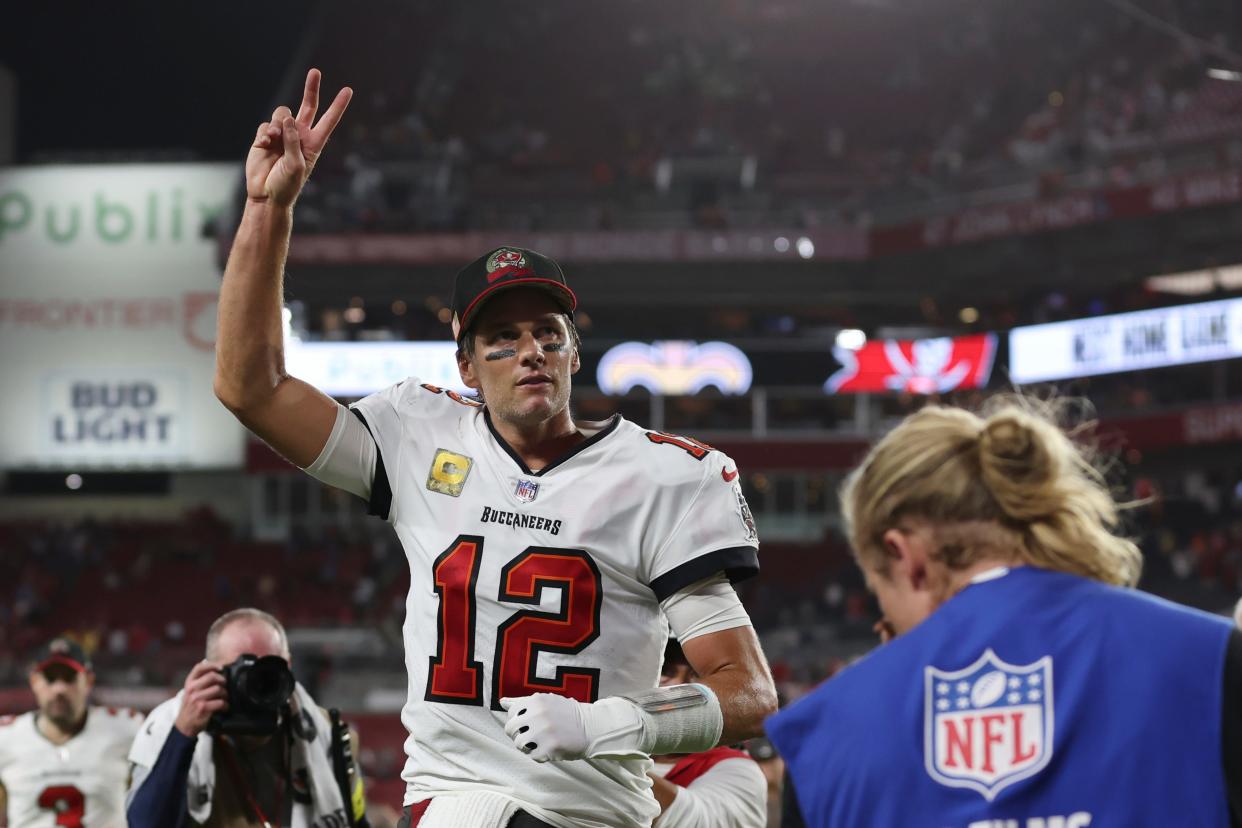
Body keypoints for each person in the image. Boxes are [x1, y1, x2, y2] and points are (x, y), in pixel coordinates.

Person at [212, 68, 776, 828]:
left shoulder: (664, 476)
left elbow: (748, 692)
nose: (532, 351)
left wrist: (611, 724)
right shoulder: (418, 433)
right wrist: (265, 209)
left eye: (549, 334)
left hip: (591, 812)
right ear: (467, 368)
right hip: (455, 802)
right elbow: (251, 386)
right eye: (503, 339)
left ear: (576, 353)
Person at [766, 399, 1242, 827]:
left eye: (878, 590)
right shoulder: (1213, 658)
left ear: (904, 557)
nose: (887, 624)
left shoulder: (820, 733)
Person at [126, 608, 369, 828]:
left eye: (268, 670)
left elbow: (355, 821)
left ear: (288, 668)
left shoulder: (329, 733)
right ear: (211, 671)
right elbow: (145, 825)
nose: (256, 685)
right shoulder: (167, 729)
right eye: (242, 671)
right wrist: (183, 735)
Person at [0, 637, 143, 828]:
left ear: (89, 680)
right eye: (50, 679)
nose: (60, 689)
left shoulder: (126, 728)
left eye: (70, 678)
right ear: (34, 682)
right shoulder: (6, 737)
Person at [647, 641, 767, 828]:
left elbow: (695, 822)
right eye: (666, 670)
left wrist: (600, 763)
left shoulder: (738, 768)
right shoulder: (620, 749)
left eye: (697, 675)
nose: (679, 684)